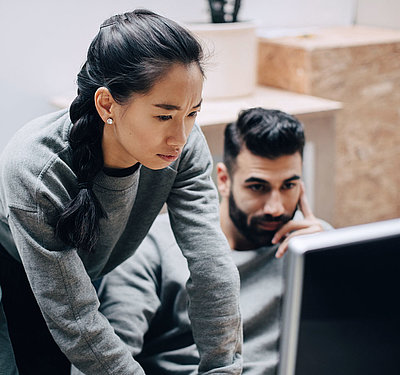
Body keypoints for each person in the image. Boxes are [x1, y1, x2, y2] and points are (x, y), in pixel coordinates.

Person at [0, 9, 242, 375]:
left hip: (86, 275)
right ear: (107, 104)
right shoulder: (35, 170)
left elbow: (212, 266)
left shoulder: (185, 148)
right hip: (15, 276)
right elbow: (74, 316)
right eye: (164, 116)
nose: (179, 137)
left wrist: (224, 367)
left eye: (192, 113)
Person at [97, 107, 332, 374]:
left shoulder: (313, 242)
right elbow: (108, 360)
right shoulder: (152, 247)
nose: (275, 208)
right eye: (258, 187)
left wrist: (332, 265)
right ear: (223, 180)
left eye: (289, 186)